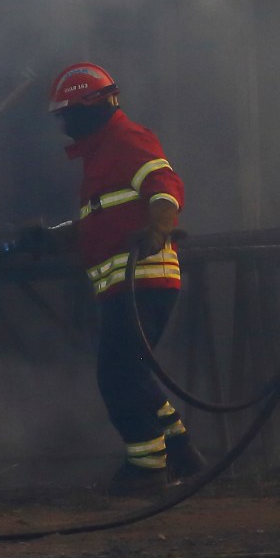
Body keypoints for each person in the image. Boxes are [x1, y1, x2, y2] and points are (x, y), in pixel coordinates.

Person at [48, 61, 203, 493]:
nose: (63, 122)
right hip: (124, 283)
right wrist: (53, 240)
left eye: (67, 112)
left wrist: (159, 227)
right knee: (132, 371)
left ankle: (148, 468)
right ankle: (181, 453)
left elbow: (165, 186)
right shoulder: (101, 153)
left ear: (90, 106)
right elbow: (106, 218)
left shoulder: (126, 138)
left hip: (142, 280)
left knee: (117, 375)